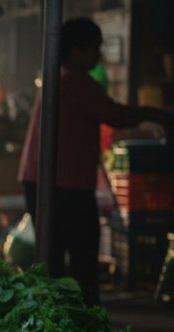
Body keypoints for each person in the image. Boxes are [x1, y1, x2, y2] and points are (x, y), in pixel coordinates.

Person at [18, 17, 170, 306]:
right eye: (94, 48)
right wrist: (155, 114)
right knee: (79, 251)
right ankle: (77, 316)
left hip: (49, 180)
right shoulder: (71, 80)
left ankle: (64, 315)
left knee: (57, 253)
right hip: (59, 183)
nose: (99, 55)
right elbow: (116, 115)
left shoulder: (60, 76)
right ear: (76, 50)